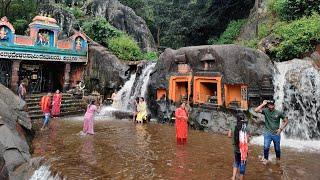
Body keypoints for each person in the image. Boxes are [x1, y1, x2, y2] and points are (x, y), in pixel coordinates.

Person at [254, 100, 289, 164]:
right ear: (268, 105)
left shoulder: (279, 113)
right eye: (269, 104)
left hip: (276, 133)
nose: (271, 105)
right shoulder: (265, 111)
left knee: (277, 149)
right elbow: (256, 110)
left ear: (274, 105)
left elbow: (286, 121)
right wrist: (263, 104)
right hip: (267, 132)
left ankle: (278, 160)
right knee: (266, 147)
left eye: (272, 104)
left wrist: (280, 129)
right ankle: (266, 159)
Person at [228, 112, 249, 180]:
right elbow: (247, 139)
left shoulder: (232, 125)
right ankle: (241, 178)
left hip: (236, 148)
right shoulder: (246, 127)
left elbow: (229, 135)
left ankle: (233, 177)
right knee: (243, 163)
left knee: (236, 162)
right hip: (243, 150)